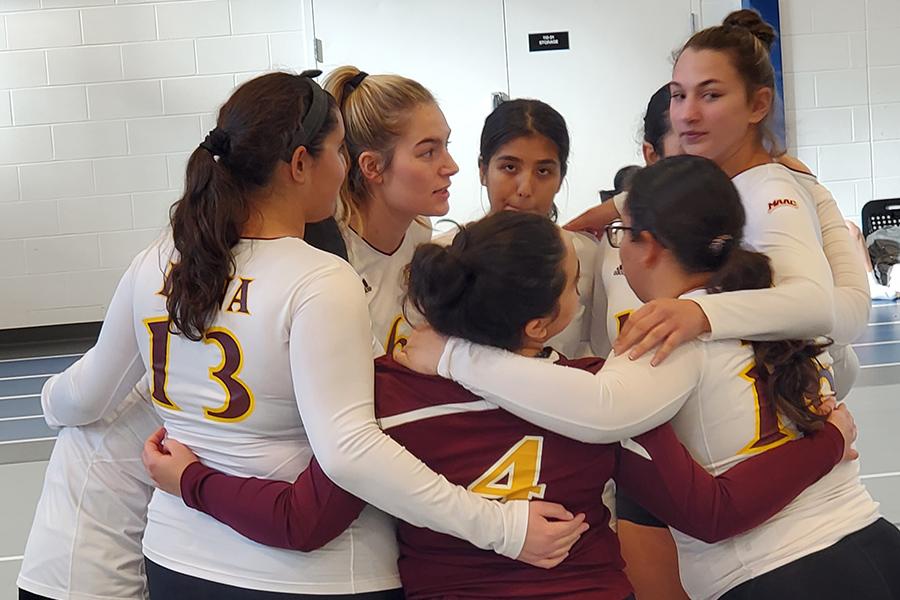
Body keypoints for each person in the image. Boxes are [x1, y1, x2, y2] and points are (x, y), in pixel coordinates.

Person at [38, 71, 576, 599]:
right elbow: (351, 453)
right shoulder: (320, 278)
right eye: (340, 152)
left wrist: (45, 397)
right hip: (311, 573)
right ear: (300, 164)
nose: (345, 170)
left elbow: (82, 398)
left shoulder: (159, 259)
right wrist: (501, 528)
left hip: (177, 560)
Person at [144, 208, 856, 599]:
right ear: (541, 326)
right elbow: (712, 511)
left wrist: (192, 481)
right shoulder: (599, 395)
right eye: (575, 284)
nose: (584, 295)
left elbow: (300, 522)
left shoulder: (382, 399)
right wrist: (824, 440)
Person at [324, 67, 458, 355]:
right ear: (372, 166)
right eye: (428, 152)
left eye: (447, 145)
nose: (451, 166)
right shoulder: (334, 259)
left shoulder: (418, 229)